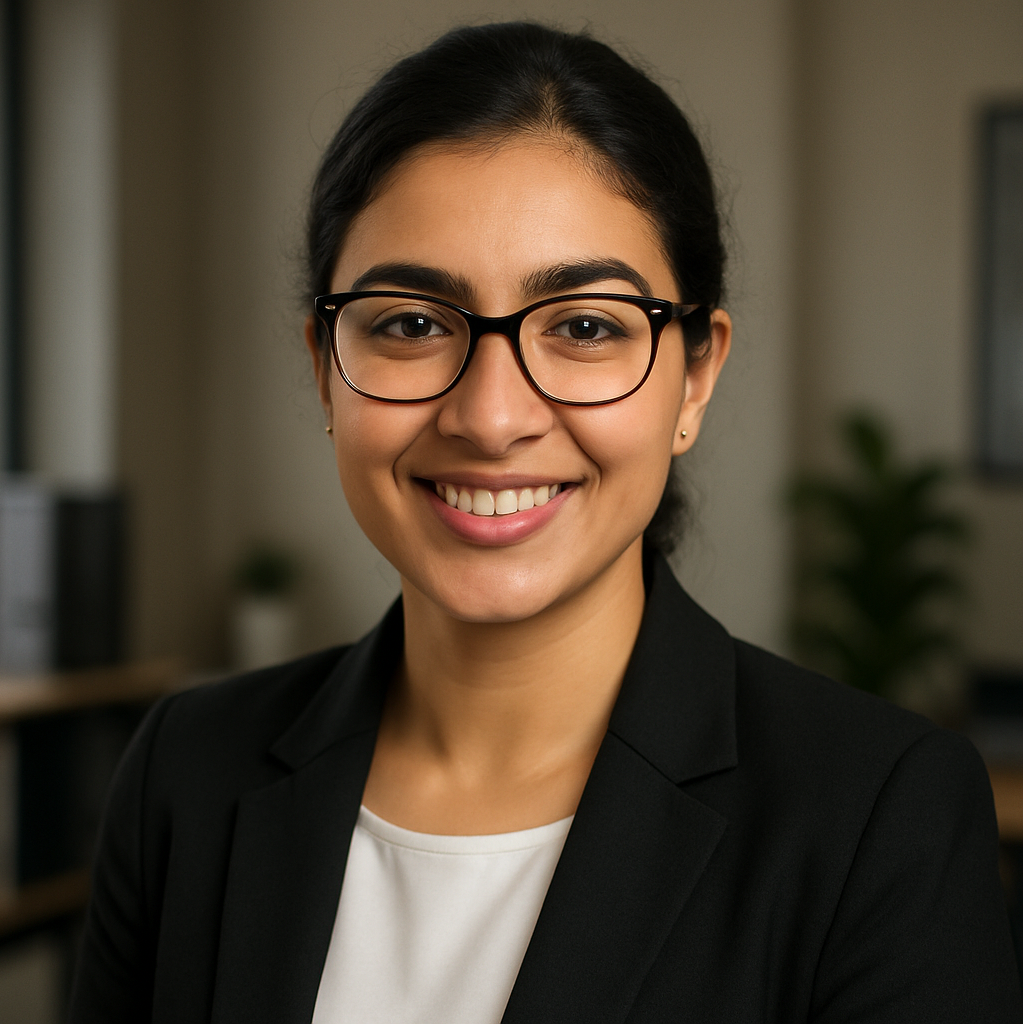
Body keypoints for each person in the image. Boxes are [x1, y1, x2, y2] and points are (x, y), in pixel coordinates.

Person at [69, 21, 1021, 1024]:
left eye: (583, 328)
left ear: (695, 375)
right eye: (410, 324)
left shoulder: (877, 815)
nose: (490, 416)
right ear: (322, 364)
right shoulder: (186, 770)